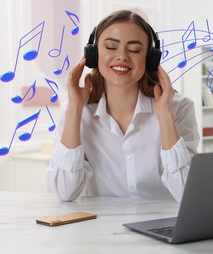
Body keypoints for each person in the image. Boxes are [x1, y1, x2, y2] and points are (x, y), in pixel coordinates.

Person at [46, 10, 200, 202]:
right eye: (111, 47)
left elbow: (187, 192)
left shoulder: (179, 109)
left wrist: (165, 115)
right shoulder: (74, 110)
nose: (122, 57)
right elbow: (65, 192)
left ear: (151, 59)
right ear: (93, 54)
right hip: (98, 228)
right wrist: (75, 111)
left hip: (162, 225)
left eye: (134, 50)